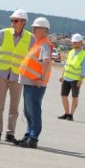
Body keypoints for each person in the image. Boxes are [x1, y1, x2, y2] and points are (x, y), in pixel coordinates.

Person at [0, 8, 32, 142]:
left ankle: (10, 133)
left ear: (23, 22)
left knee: (14, 107)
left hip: (18, 76)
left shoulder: (29, 38)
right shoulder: (5, 33)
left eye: (15, 21)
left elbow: (36, 53)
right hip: (3, 74)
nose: (13, 23)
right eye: (12, 20)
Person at [15, 17, 53, 148]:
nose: (33, 30)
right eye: (33, 28)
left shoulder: (44, 44)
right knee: (28, 112)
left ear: (44, 30)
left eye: (36, 28)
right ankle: (28, 136)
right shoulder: (38, 44)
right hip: (30, 83)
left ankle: (33, 138)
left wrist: (41, 79)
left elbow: (47, 62)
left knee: (34, 112)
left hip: (36, 85)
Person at [58, 33, 85, 120]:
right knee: (63, 95)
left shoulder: (84, 55)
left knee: (74, 97)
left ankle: (71, 115)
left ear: (80, 43)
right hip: (66, 77)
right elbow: (66, 65)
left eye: (75, 42)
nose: (74, 44)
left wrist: (81, 80)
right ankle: (66, 113)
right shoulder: (71, 52)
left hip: (76, 79)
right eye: (73, 42)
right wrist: (62, 75)